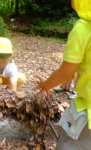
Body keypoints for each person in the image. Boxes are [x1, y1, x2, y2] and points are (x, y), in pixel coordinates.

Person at [35, 0, 91, 149]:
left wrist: (45, 85)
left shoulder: (83, 29)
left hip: (87, 112)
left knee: (69, 144)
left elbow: (65, 73)